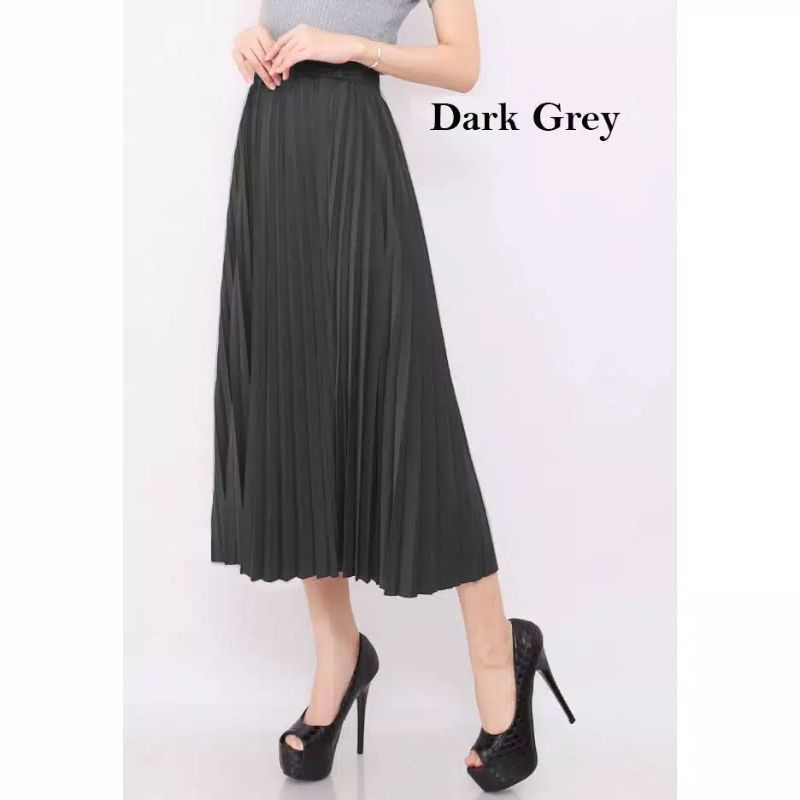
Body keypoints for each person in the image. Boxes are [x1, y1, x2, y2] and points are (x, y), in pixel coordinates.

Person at [211, 1, 574, 791]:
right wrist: (248, 40)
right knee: (296, 402)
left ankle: (499, 652)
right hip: (273, 154)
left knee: (413, 407)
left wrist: (350, 48)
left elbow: (462, 64)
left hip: (353, 158)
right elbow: (276, 19)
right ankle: (338, 656)